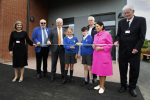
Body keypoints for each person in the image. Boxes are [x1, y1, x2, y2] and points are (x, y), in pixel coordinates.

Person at [114, 5, 146, 97]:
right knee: (122, 69)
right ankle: (123, 86)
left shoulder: (141, 20)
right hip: (123, 50)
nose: (126, 14)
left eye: (128, 12)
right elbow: (118, 35)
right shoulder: (121, 22)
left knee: (134, 70)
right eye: (125, 13)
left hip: (134, 51)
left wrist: (137, 48)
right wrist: (117, 41)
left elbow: (142, 37)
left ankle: (132, 87)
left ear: (133, 11)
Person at [92, 22, 113, 94]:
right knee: (99, 70)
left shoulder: (107, 34)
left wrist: (101, 48)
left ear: (102, 26)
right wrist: (93, 46)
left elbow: (110, 45)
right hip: (96, 55)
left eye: (97, 26)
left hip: (104, 55)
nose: (96, 28)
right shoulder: (95, 35)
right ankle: (100, 84)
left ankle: (102, 86)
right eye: (95, 26)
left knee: (103, 71)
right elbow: (94, 43)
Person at [47, 18, 67, 82]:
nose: (59, 24)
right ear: (56, 23)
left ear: (62, 23)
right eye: (58, 23)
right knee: (53, 63)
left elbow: (68, 38)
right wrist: (48, 41)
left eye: (60, 23)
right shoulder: (52, 30)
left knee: (63, 63)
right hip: (54, 48)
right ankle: (52, 76)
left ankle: (63, 75)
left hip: (62, 48)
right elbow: (49, 38)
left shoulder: (65, 30)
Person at [87, 16, 97, 83]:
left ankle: (95, 77)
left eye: (91, 20)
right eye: (89, 20)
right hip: (88, 47)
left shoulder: (96, 27)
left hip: (94, 47)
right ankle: (87, 76)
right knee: (88, 62)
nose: (90, 21)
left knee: (94, 62)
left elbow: (98, 36)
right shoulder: (86, 28)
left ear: (94, 21)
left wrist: (95, 44)